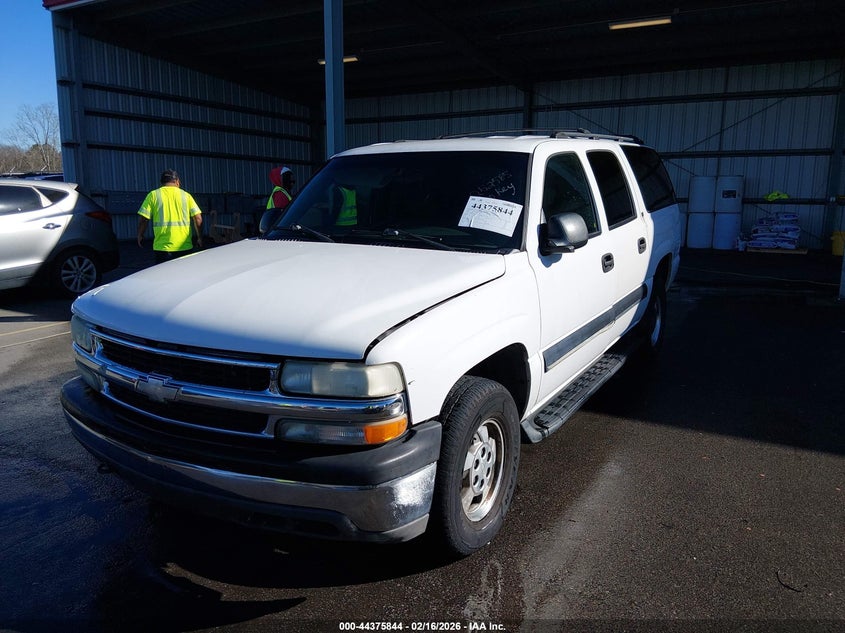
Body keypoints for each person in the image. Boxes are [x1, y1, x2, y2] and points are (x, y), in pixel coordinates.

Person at [137, 169, 203, 264]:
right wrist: (200, 237)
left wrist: (140, 235)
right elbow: (198, 218)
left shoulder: (153, 195)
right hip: (184, 246)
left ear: (162, 182)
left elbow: (144, 219)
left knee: (164, 277)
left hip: (162, 248)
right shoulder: (186, 196)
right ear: (177, 181)